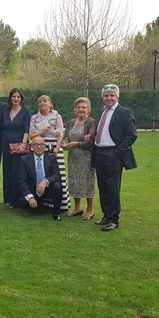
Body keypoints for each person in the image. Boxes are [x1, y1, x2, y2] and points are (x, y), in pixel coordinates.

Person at [91, 84, 137, 231]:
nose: (109, 98)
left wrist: (118, 153)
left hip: (113, 154)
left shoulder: (124, 112)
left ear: (117, 97)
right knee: (102, 186)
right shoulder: (103, 112)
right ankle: (106, 215)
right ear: (102, 97)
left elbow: (131, 135)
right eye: (106, 95)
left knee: (112, 188)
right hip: (99, 153)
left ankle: (113, 219)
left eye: (112, 95)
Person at [29, 95, 70, 213]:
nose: (42, 103)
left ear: (50, 104)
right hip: (40, 146)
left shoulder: (57, 116)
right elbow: (31, 135)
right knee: (42, 173)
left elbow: (61, 133)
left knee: (58, 176)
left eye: (45, 101)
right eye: (40, 101)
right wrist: (42, 132)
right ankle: (44, 202)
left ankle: (60, 205)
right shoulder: (34, 118)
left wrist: (57, 148)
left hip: (55, 147)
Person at [64, 97, 97, 220]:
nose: (81, 109)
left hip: (86, 157)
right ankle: (77, 208)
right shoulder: (71, 122)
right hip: (73, 157)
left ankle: (90, 209)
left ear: (88, 109)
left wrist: (77, 144)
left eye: (84, 107)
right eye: (78, 107)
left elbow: (90, 141)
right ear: (75, 109)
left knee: (88, 182)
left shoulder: (91, 122)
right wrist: (65, 144)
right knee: (74, 181)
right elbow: (67, 137)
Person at [16, 135, 63, 220]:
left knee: (57, 186)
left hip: (47, 188)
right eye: (36, 144)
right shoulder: (24, 159)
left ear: (45, 146)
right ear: (32, 146)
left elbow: (57, 175)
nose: (39, 146)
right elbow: (22, 180)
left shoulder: (51, 158)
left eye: (42, 144)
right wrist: (30, 197)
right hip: (33, 190)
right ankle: (37, 204)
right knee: (29, 207)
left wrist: (46, 181)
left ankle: (56, 213)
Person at [1, 88, 31, 208]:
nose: (16, 99)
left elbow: (26, 129)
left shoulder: (25, 111)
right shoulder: (5, 110)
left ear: (21, 99)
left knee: (17, 171)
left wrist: (23, 144)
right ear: (10, 98)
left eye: (18, 97)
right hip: (6, 144)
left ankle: (16, 199)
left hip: (20, 146)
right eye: (14, 96)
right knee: (7, 171)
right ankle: (7, 198)